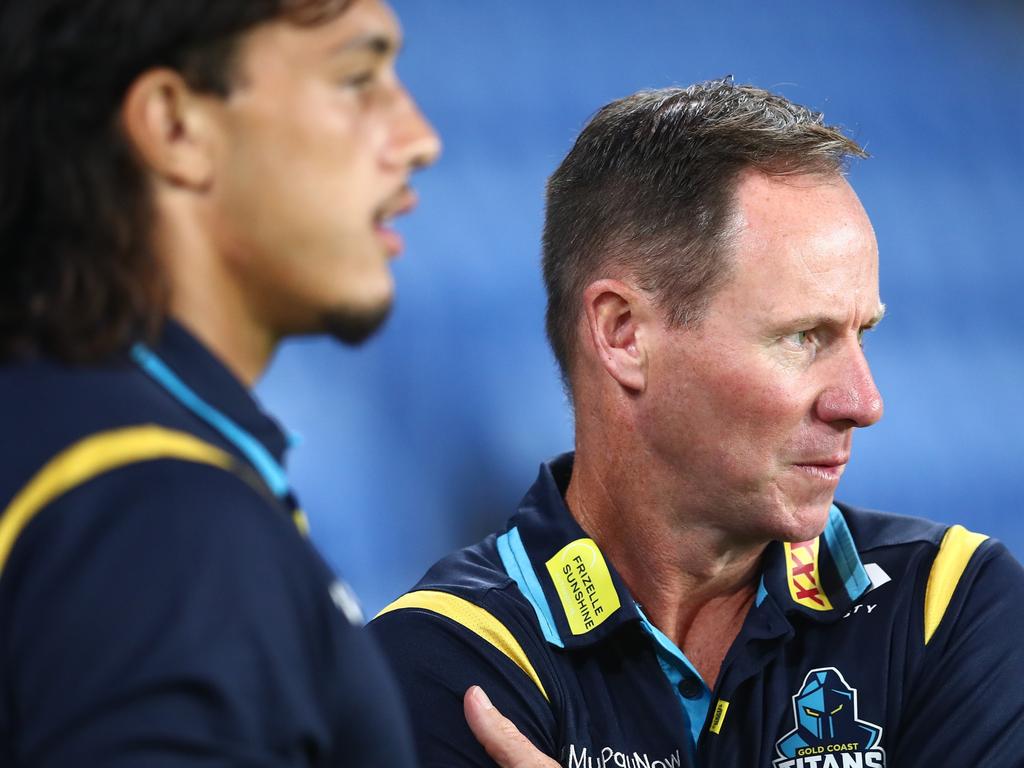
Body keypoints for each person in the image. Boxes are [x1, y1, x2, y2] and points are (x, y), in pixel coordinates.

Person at [370, 80, 1024, 767]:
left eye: (863, 333)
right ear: (623, 334)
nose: (862, 401)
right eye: (804, 336)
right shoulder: (443, 661)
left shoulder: (951, 607)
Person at [0, 0, 444, 765]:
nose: (419, 140)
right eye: (357, 77)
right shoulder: (157, 521)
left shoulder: (56, 425)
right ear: (176, 126)